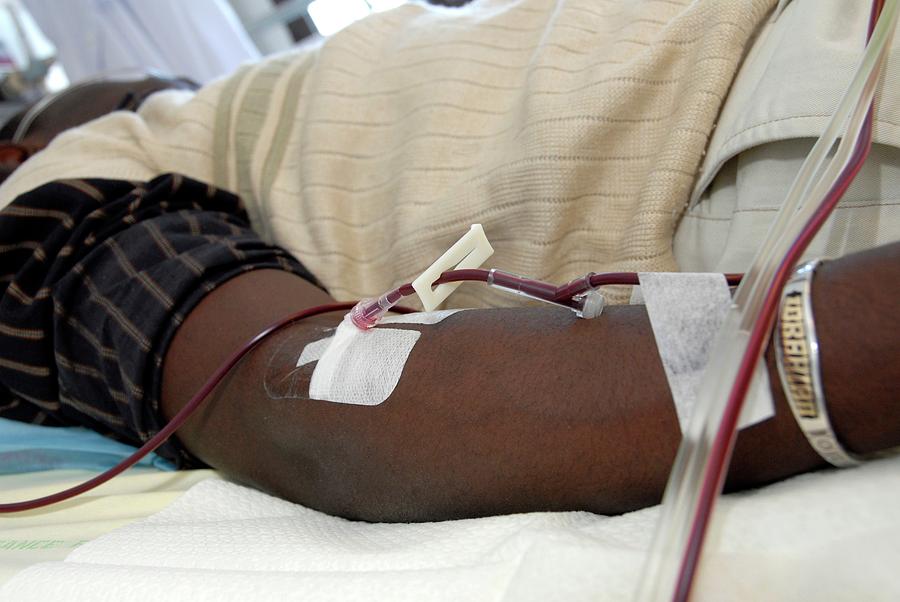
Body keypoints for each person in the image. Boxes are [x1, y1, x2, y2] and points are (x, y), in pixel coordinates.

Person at [0, 0, 897, 522]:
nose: (149, 87)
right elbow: (306, 393)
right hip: (776, 142)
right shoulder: (51, 194)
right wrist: (831, 342)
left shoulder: (234, 108)